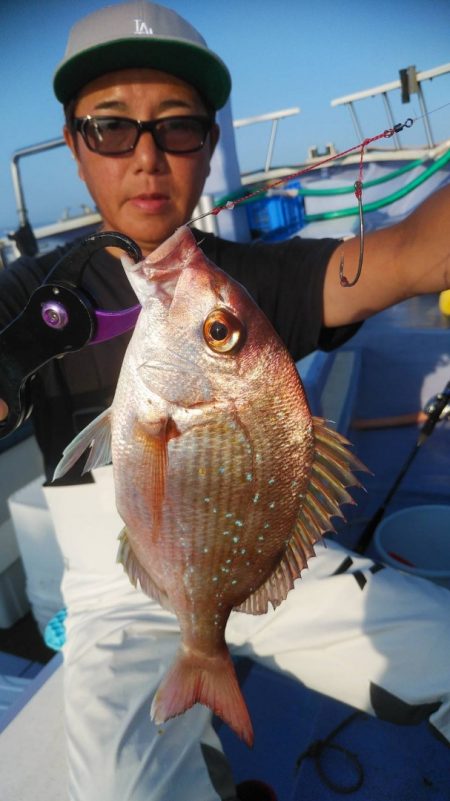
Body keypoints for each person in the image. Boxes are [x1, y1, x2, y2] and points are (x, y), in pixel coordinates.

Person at [1, 3, 450, 800]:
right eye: (110, 128)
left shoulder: (247, 284)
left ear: (209, 146)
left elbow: (413, 256)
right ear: (74, 147)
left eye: (177, 128)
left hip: (258, 559)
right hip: (115, 597)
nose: (147, 157)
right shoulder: (28, 295)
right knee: (117, 787)